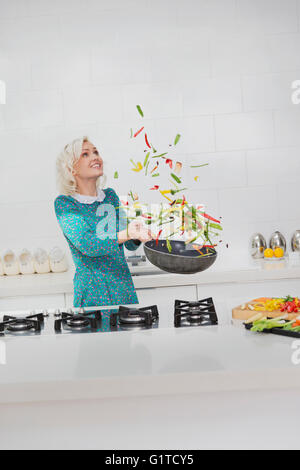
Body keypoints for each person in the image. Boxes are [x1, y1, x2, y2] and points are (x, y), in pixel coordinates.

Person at [54, 136, 155, 307]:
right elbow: (88, 245)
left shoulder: (110, 196)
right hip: (92, 295)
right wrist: (127, 233)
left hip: (123, 290)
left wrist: (137, 233)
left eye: (96, 152)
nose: (95, 157)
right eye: (85, 154)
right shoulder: (66, 204)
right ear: (72, 169)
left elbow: (129, 244)